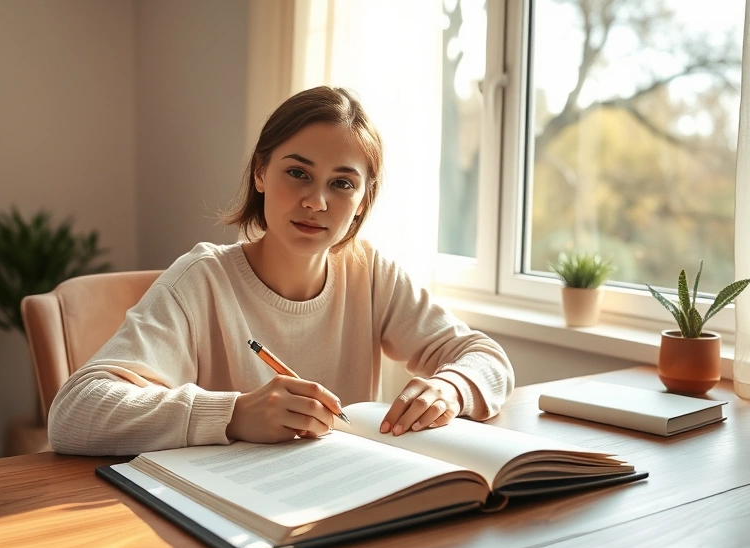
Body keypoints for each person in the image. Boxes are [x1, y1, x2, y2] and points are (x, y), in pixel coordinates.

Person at [48, 86, 514, 456]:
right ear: (260, 173)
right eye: (297, 173)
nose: (316, 201)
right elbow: (73, 414)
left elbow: (487, 358)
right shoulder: (201, 280)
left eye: (342, 184)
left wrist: (451, 387)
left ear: (362, 203)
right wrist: (232, 414)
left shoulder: (370, 273)